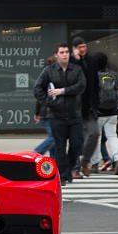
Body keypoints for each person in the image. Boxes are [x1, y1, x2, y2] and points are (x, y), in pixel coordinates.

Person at [34, 42, 86, 185]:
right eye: (62, 52)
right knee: (59, 147)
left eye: (66, 52)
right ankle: (63, 175)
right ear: (56, 55)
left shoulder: (76, 70)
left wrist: (62, 91)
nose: (65, 55)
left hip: (74, 114)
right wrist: (49, 103)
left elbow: (81, 86)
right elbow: (37, 88)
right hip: (56, 115)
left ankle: (68, 169)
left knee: (76, 144)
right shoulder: (49, 71)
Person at [90, 52, 118, 175]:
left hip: (98, 113)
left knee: (95, 138)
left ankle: (94, 164)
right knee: (112, 136)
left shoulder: (94, 77)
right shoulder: (113, 76)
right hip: (112, 112)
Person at [70, 36, 99, 177]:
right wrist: (76, 60)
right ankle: (75, 167)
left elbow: (95, 83)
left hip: (89, 106)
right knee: (76, 137)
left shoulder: (91, 61)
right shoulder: (71, 62)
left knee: (94, 133)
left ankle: (85, 161)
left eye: (84, 47)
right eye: (80, 47)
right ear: (74, 49)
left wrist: (96, 103)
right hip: (75, 106)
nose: (83, 50)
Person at [34, 56, 57, 157]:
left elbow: (39, 98)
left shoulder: (45, 77)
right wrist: (38, 112)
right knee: (55, 136)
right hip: (48, 113)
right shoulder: (51, 79)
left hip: (47, 113)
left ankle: (54, 161)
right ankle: (36, 153)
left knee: (54, 139)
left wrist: (37, 112)